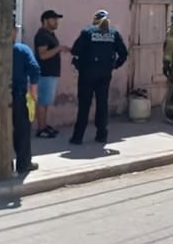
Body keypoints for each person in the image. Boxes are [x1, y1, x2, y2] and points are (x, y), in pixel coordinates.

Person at [0, 17, 41, 175]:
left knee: (0, 131)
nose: (16, 32)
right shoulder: (22, 50)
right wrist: (33, 91)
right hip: (17, 96)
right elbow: (35, 70)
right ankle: (24, 164)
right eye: (15, 29)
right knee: (22, 131)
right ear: (11, 32)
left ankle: (4, 165)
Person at [69, 10, 128, 145]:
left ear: (94, 19)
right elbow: (123, 54)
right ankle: (102, 135)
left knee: (84, 105)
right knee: (102, 104)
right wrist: (114, 66)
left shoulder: (87, 32)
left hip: (87, 73)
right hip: (105, 73)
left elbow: (75, 50)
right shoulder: (114, 33)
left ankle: (78, 137)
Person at [33, 10, 69, 139]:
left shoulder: (50, 34)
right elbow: (43, 55)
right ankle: (41, 128)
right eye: (53, 19)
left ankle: (45, 125)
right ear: (45, 20)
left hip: (51, 73)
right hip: (44, 73)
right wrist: (58, 49)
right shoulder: (42, 35)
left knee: (46, 101)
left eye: (57, 19)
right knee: (42, 101)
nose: (56, 22)